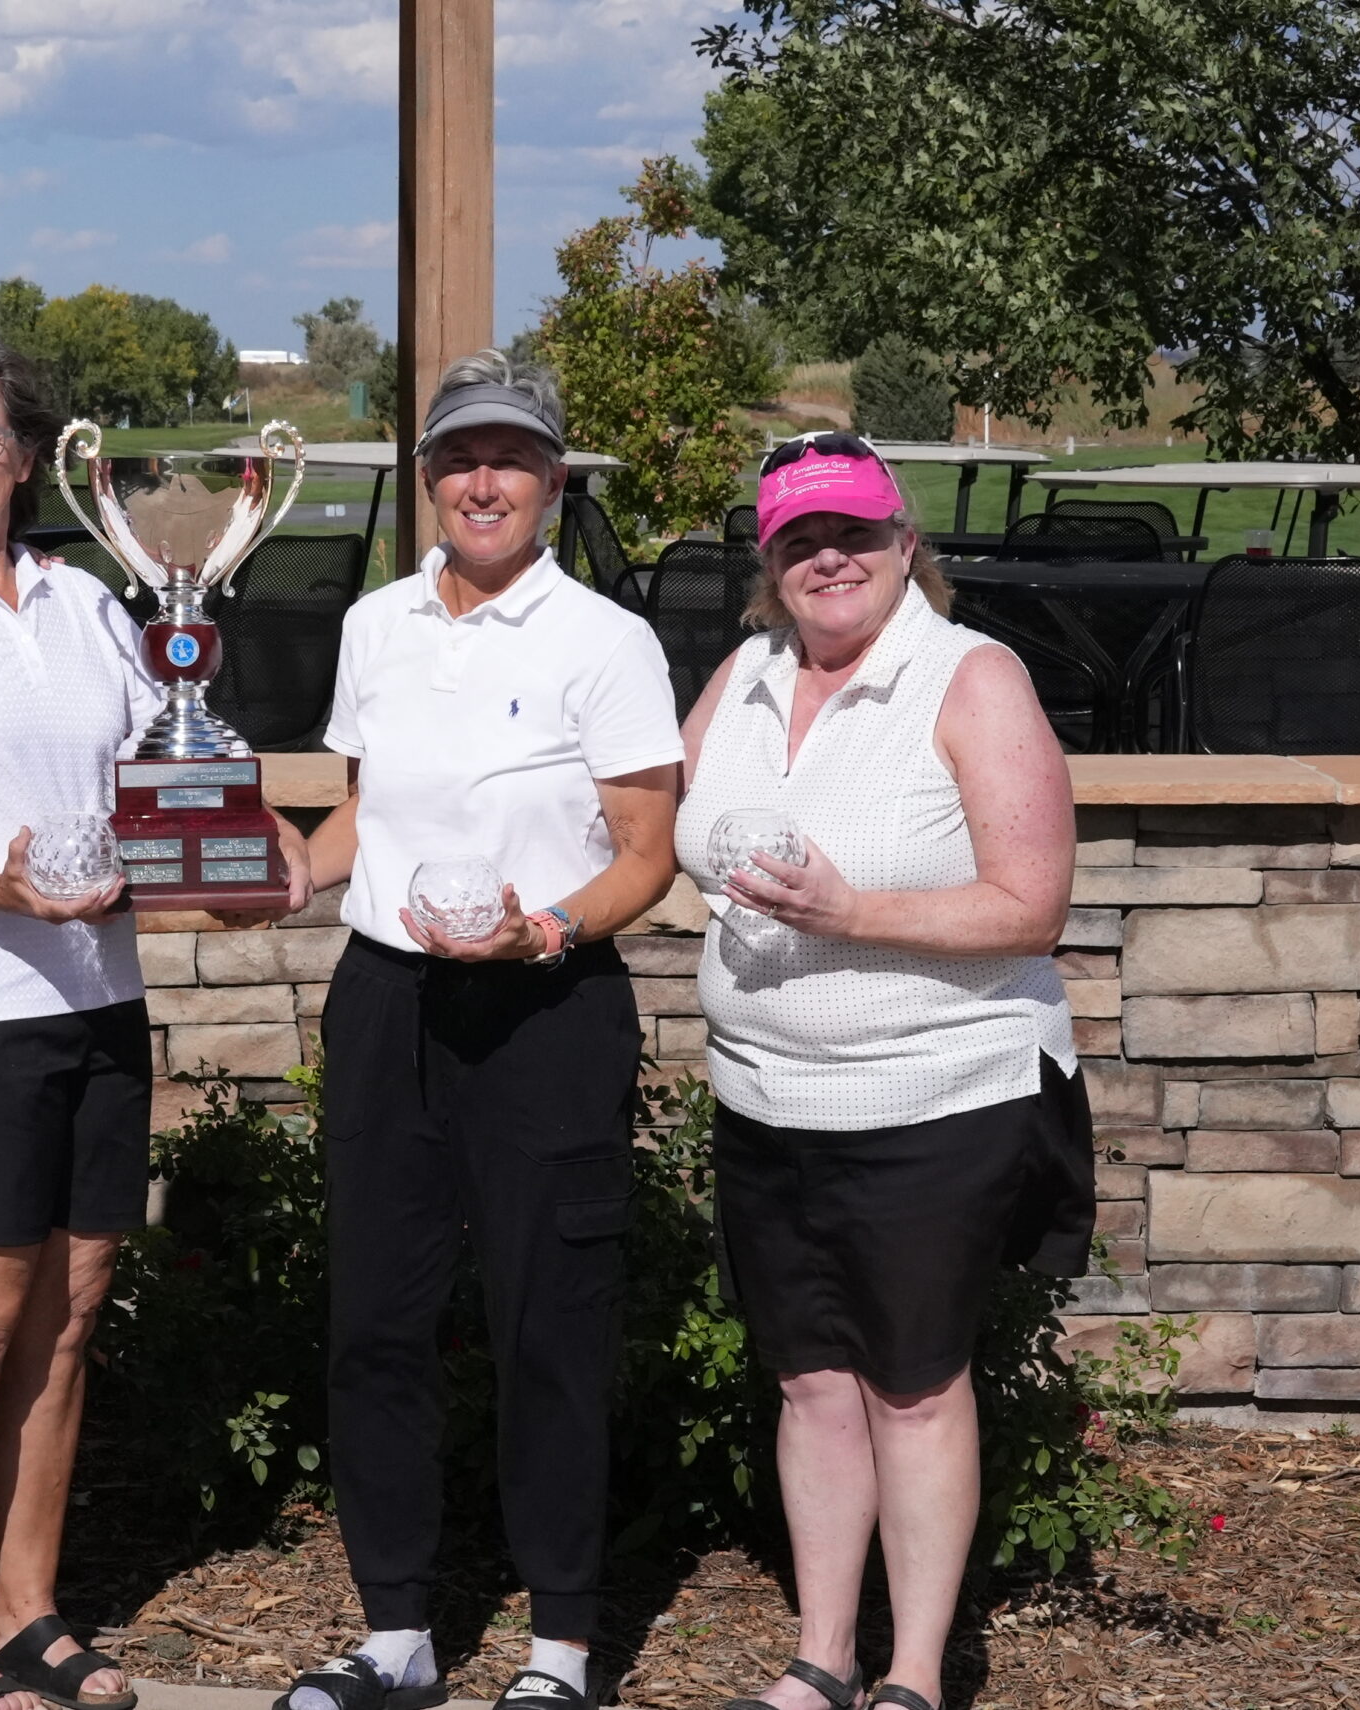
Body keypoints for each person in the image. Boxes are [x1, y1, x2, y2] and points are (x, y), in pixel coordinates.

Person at [0, 330, 307, 1710]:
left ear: (27, 458)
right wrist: (0, 887)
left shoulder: (86, 601)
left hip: (95, 999)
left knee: (67, 1323)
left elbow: (159, 768)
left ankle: (26, 1613)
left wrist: (243, 843)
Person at [277, 351, 683, 1710]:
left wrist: (545, 930)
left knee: (548, 1327)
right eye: (460, 457)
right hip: (387, 1003)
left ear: (553, 480)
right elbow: (367, 808)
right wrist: (291, 866)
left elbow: (646, 852)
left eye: (510, 457)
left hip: (546, 1007)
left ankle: (560, 1645)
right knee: (375, 1324)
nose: (483, 480)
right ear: (428, 480)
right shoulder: (378, 623)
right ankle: (395, 1631)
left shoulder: (605, 641)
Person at [677, 434, 1091, 1710]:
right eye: (800, 540)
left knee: (910, 1387)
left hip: (931, 1097)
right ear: (769, 564)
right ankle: (822, 1658)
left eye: (853, 532)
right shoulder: (744, 675)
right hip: (763, 1097)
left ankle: (912, 1673)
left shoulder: (969, 679)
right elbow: (652, 820)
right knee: (810, 1381)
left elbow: (1030, 906)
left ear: (906, 544)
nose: (830, 558)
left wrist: (851, 913)